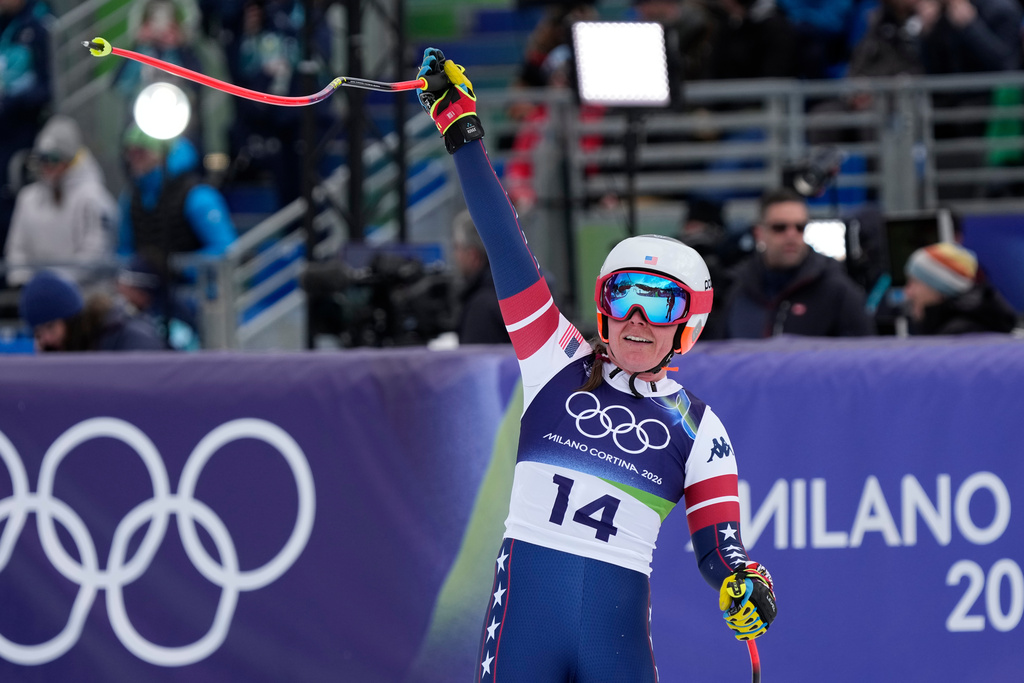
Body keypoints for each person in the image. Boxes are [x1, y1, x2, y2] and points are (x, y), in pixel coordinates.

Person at [415, 48, 776, 681]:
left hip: (614, 646)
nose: (637, 317)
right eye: (622, 297)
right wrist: (464, 136)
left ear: (686, 327)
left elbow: (720, 548)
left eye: (659, 304)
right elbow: (507, 251)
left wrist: (746, 583)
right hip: (525, 628)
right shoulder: (554, 359)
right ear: (603, 310)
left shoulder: (700, 430)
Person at [708, 188, 875, 338]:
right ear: (759, 233)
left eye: (800, 227)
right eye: (780, 228)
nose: (791, 235)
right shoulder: (737, 289)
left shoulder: (837, 290)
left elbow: (862, 358)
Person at [4, 115, 117, 287]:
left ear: (71, 160)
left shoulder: (93, 198)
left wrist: (57, 286)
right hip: (39, 295)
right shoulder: (27, 199)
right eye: (43, 159)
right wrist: (25, 282)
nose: (48, 166)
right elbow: (16, 249)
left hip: (83, 301)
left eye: (55, 159)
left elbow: (95, 254)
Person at [118, 124, 237, 272]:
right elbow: (124, 250)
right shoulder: (131, 198)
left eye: (141, 152)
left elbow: (225, 249)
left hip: (196, 290)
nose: (133, 160)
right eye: (130, 153)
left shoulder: (197, 196)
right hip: (148, 290)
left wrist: (176, 268)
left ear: (162, 155)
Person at [0, 0, 52, 255]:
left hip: (22, 133)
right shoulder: (5, 24)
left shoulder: (39, 24)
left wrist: (10, 99)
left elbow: (48, 87)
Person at [18, 269, 167, 352]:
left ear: (71, 320)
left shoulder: (125, 335)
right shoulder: (61, 350)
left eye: (50, 327)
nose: (47, 339)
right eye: (38, 334)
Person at [903, 242, 1018, 334]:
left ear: (941, 288)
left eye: (914, 282)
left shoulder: (961, 336)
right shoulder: (962, 327)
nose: (908, 292)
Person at [451, 209, 510, 345]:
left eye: (457, 247)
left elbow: (472, 364)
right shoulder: (525, 288)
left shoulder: (481, 308)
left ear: (473, 255)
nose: (455, 256)